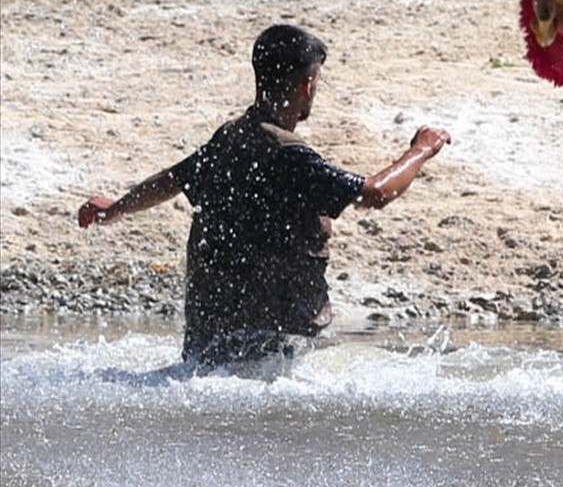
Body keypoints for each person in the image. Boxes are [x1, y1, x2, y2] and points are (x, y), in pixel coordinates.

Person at [78, 24, 451, 369]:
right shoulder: (289, 154)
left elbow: (172, 179)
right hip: (275, 351)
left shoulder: (230, 138)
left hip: (209, 346)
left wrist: (117, 208)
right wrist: (421, 150)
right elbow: (375, 193)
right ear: (307, 85)